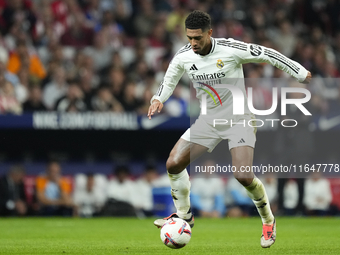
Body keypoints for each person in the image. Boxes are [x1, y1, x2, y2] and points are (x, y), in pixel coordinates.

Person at [148, 10, 312, 248]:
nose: (193, 43)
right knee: (173, 163)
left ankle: (268, 221)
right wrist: (158, 98)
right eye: (189, 38)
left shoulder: (231, 49)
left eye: (198, 38)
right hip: (209, 120)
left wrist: (298, 71)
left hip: (239, 119)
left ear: (210, 33)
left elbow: (268, 54)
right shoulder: (184, 56)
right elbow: (169, 80)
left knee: (243, 175)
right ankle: (184, 216)